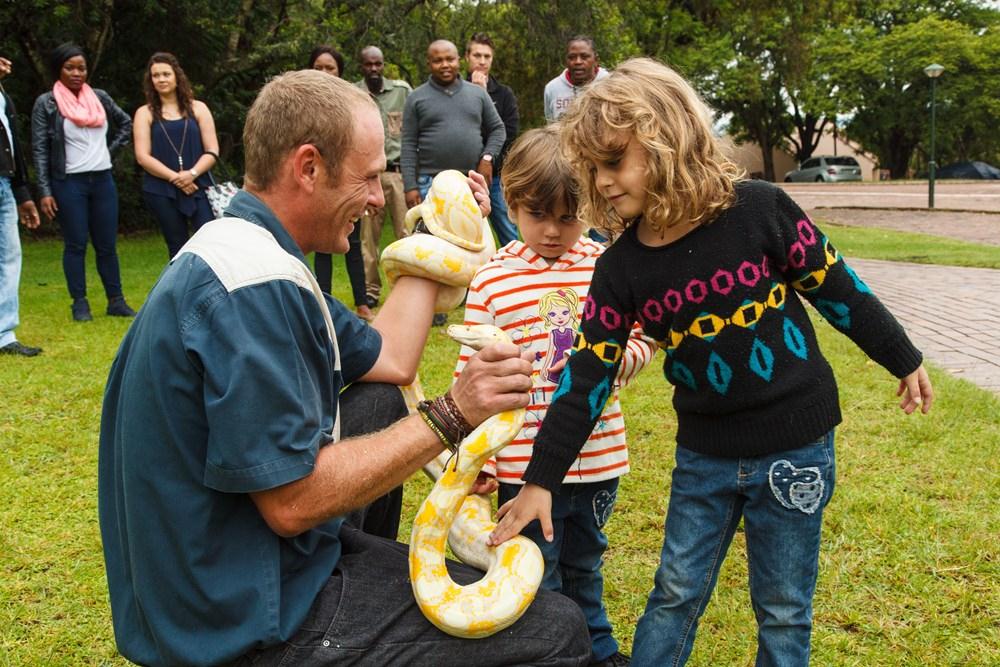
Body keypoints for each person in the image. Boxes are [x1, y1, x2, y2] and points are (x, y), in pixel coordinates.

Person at [98, 69, 591, 667]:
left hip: (232, 564)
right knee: (558, 631)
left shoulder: (249, 250)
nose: (381, 198)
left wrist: (443, 230)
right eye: (365, 178)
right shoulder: (252, 289)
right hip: (239, 616)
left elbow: (390, 358)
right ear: (308, 168)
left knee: (381, 402)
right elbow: (291, 505)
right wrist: (455, 412)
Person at [489, 58, 935, 667]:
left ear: (666, 140)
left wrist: (903, 357)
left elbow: (839, 291)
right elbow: (587, 378)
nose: (604, 181)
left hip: (797, 446)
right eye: (593, 169)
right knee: (674, 595)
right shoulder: (619, 269)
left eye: (615, 161)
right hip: (704, 458)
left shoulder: (762, 210)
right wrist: (540, 478)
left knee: (783, 608)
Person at [455, 126, 655, 667]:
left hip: (596, 457)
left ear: (589, 206)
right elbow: (469, 372)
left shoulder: (605, 267)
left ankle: (599, 647)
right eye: (537, 214)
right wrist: (473, 454)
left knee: (586, 561)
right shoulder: (491, 279)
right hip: (521, 461)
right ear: (512, 203)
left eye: (568, 216)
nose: (552, 230)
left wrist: (611, 364)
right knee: (533, 565)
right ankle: (544, 652)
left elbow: (642, 340)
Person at [31, 43, 135, 321]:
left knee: (107, 244)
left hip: (102, 180)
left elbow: (126, 122)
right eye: (70, 68)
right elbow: (40, 148)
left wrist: (108, 153)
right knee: (76, 244)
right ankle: (80, 303)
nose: (77, 73)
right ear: (58, 69)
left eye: (82, 68)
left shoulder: (99, 97)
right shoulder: (47, 103)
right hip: (69, 183)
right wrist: (44, 191)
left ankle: (116, 300)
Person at [307, 45, 374, 321]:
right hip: (316, 185)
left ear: (340, 72)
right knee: (322, 245)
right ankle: (322, 304)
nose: (324, 73)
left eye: (330, 68)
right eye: (318, 67)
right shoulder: (301, 104)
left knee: (353, 244)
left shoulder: (352, 104)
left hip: (348, 184)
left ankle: (362, 303)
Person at [133, 52, 218, 259]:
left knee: (210, 245)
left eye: (166, 74)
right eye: (156, 76)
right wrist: (176, 178)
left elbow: (212, 150)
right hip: (162, 189)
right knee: (177, 247)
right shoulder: (144, 113)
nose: (161, 79)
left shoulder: (199, 108)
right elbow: (142, 156)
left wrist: (191, 173)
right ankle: (181, 291)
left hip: (199, 185)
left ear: (176, 76)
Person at [401, 39, 505, 209]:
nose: (445, 65)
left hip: (470, 180)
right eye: (437, 60)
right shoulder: (416, 98)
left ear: (459, 60)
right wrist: (410, 186)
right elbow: (408, 144)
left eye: (450, 59)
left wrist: (487, 158)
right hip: (429, 181)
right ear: (429, 64)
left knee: (470, 232)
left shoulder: (477, 93)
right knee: (431, 234)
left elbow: (498, 129)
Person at [356, 45, 411, 310]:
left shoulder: (402, 91)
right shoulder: (352, 94)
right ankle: (370, 291)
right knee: (369, 237)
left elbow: (414, 131)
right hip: (368, 175)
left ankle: (407, 289)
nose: (374, 69)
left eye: (378, 64)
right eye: (369, 64)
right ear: (362, 66)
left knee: (405, 233)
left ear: (384, 64)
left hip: (398, 174)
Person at [0, 56, 42, 356]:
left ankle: (4, 334)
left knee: (9, 257)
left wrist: (22, 191)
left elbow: (10, 144)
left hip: (4, 183)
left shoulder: (3, 95)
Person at [464, 32, 518, 247]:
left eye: (487, 56)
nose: (482, 61)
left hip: (494, 178)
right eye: (477, 55)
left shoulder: (504, 94)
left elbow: (509, 134)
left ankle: (519, 277)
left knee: (508, 233)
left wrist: (483, 95)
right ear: (467, 56)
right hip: (461, 175)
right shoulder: (453, 91)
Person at [543, 36, 609, 122]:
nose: (578, 62)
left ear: (596, 60)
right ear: (566, 61)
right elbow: (551, 127)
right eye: (572, 57)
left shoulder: (610, 83)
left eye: (584, 57)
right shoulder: (552, 88)